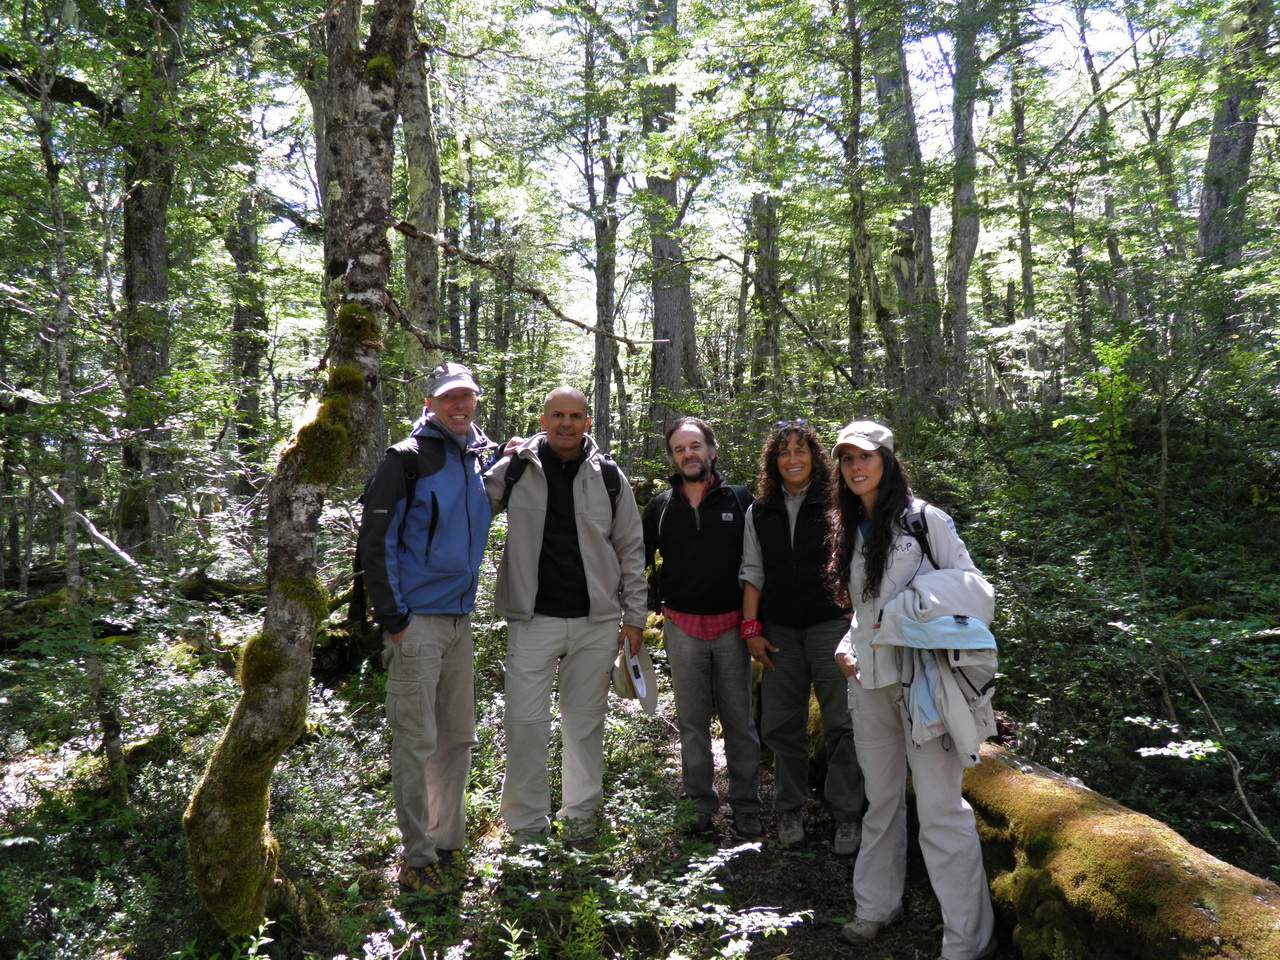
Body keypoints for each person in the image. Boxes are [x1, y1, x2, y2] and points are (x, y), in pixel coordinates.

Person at [829, 420, 996, 960]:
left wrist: (907, 610)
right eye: (848, 459)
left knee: (942, 809)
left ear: (887, 460)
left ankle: (966, 941)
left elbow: (976, 591)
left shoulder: (925, 521)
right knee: (881, 802)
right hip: (869, 683)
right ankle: (876, 905)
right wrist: (847, 643)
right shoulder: (850, 525)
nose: (857, 467)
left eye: (866, 457)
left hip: (925, 683)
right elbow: (864, 609)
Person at [484, 386, 647, 846]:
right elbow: (475, 506)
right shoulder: (518, 467)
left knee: (584, 724)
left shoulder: (609, 476)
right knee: (525, 723)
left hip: (596, 622)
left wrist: (634, 617)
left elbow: (631, 549)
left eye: (575, 416)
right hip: (533, 619)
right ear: (543, 419)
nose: (566, 424)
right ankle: (526, 830)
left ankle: (580, 824)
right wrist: (497, 458)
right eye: (557, 415)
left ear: (588, 422)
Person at [357, 361, 494, 893]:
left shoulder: (476, 458)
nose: (460, 406)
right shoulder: (406, 460)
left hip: (461, 620)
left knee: (456, 738)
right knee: (415, 741)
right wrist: (394, 619)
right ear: (429, 405)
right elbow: (376, 543)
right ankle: (417, 859)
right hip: (416, 623)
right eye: (448, 399)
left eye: (467, 397)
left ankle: (446, 843)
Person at [739, 422, 864, 854]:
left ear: (814, 456)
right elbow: (752, 570)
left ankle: (847, 815)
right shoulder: (761, 510)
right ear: (773, 461)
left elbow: (858, 562)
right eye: (784, 452)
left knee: (843, 723)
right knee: (780, 724)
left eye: (801, 450)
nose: (793, 459)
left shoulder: (836, 501)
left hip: (833, 626)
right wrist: (751, 628)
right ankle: (789, 809)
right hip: (779, 631)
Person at [642, 417, 762, 838]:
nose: (688, 454)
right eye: (679, 449)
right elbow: (635, 561)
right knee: (692, 723)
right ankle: (698, 803)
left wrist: (757, 623)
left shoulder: (741, 499)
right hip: (682, 628)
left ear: (711, 450)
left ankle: (747, 804)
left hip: (732, 627)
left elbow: (758, 565)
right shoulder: (660, 508)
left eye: (695, 446)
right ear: (673, 457)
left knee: (739, 721)